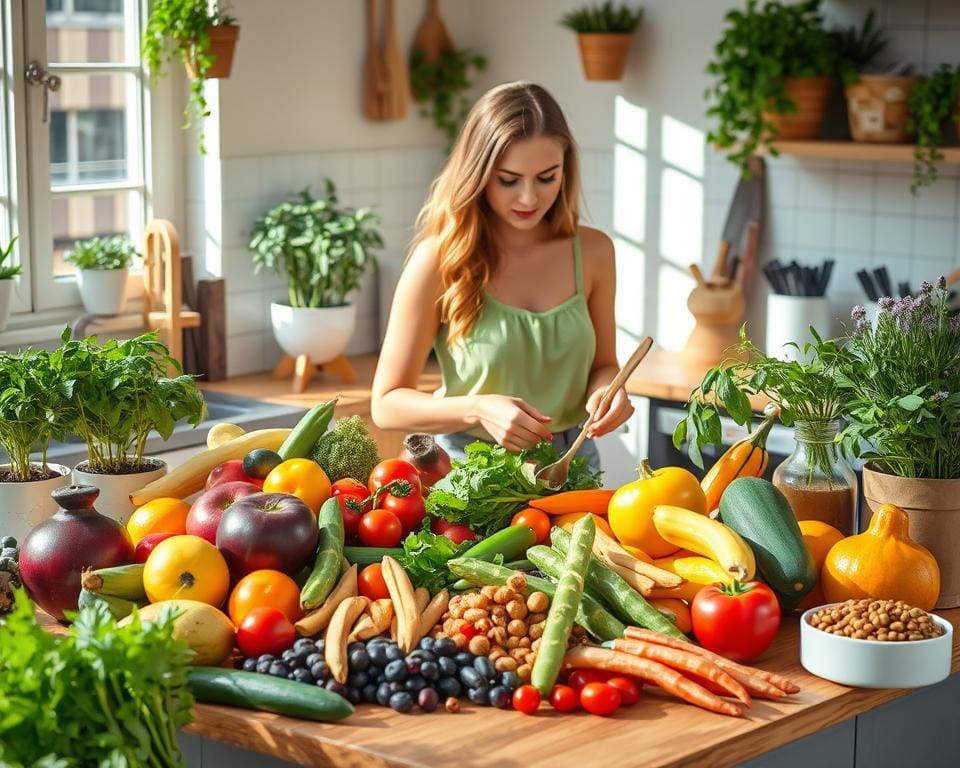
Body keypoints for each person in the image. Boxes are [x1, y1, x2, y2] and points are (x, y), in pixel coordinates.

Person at [370, 81, 633, 472]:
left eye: (547, 177)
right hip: (469, 471)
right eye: (509, 179)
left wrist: (609, 392)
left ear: (566, 170)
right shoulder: (440, 260)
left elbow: (604, 365)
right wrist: (478, 408)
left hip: (572, 463)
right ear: (477, 174)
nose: (529, 198)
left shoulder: (594, 252)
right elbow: (386, 404)